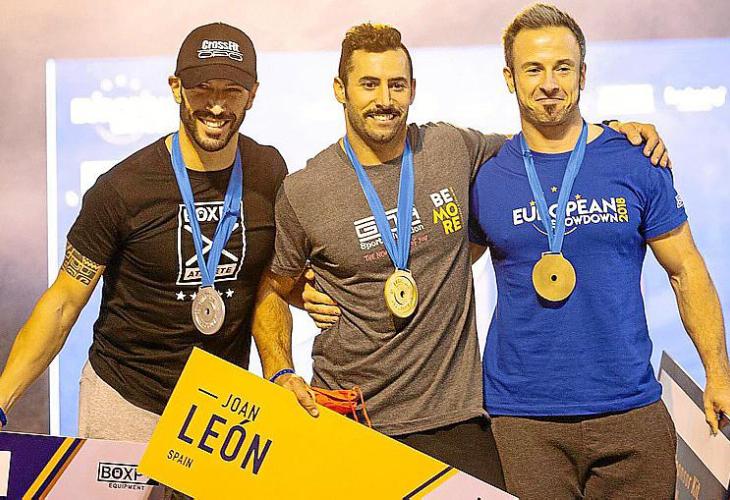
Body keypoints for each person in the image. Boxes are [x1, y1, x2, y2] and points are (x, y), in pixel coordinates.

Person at [251, 22, 668, 489]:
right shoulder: (305, 190)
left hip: (456, 419)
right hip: (351, 416)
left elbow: (547, 140)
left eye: (396, 85)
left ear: (413, 90)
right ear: (339, 90)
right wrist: (280, 370)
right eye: (369, 84)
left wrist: (615, 132)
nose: (384, 99)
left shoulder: (450, 148)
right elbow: (272, 288)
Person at [469, 4, 730, 498]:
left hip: (630, 414)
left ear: (583, 74)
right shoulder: (486, 175)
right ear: (509, 78)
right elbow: (442, 272)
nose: (550, 83)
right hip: (523, 423)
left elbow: (686, 269)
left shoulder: (636, 159)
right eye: (533, 69)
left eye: (563, 67)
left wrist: (719, 372)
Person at [0, 22, 291, 443]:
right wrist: (2, 399)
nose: (216, 105)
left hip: (220, 410)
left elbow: (271, 277)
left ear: (253, 95)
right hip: (127, 400)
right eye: (202, 89)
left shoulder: (269, 171)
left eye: (232, 91)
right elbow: (63, 302)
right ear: (175, 88)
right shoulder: (122, 188)